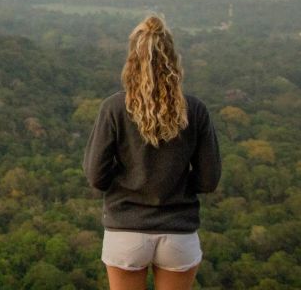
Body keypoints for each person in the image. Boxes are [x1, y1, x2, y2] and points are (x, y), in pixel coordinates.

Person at [83, 15, 221, 290]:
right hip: (178, 233)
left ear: (132, 61)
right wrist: (178, 185)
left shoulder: (114, 108)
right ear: (173, 59)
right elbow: (208, 180)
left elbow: (96, 176)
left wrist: (127, 183)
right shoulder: (194, 110)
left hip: (126, 233)